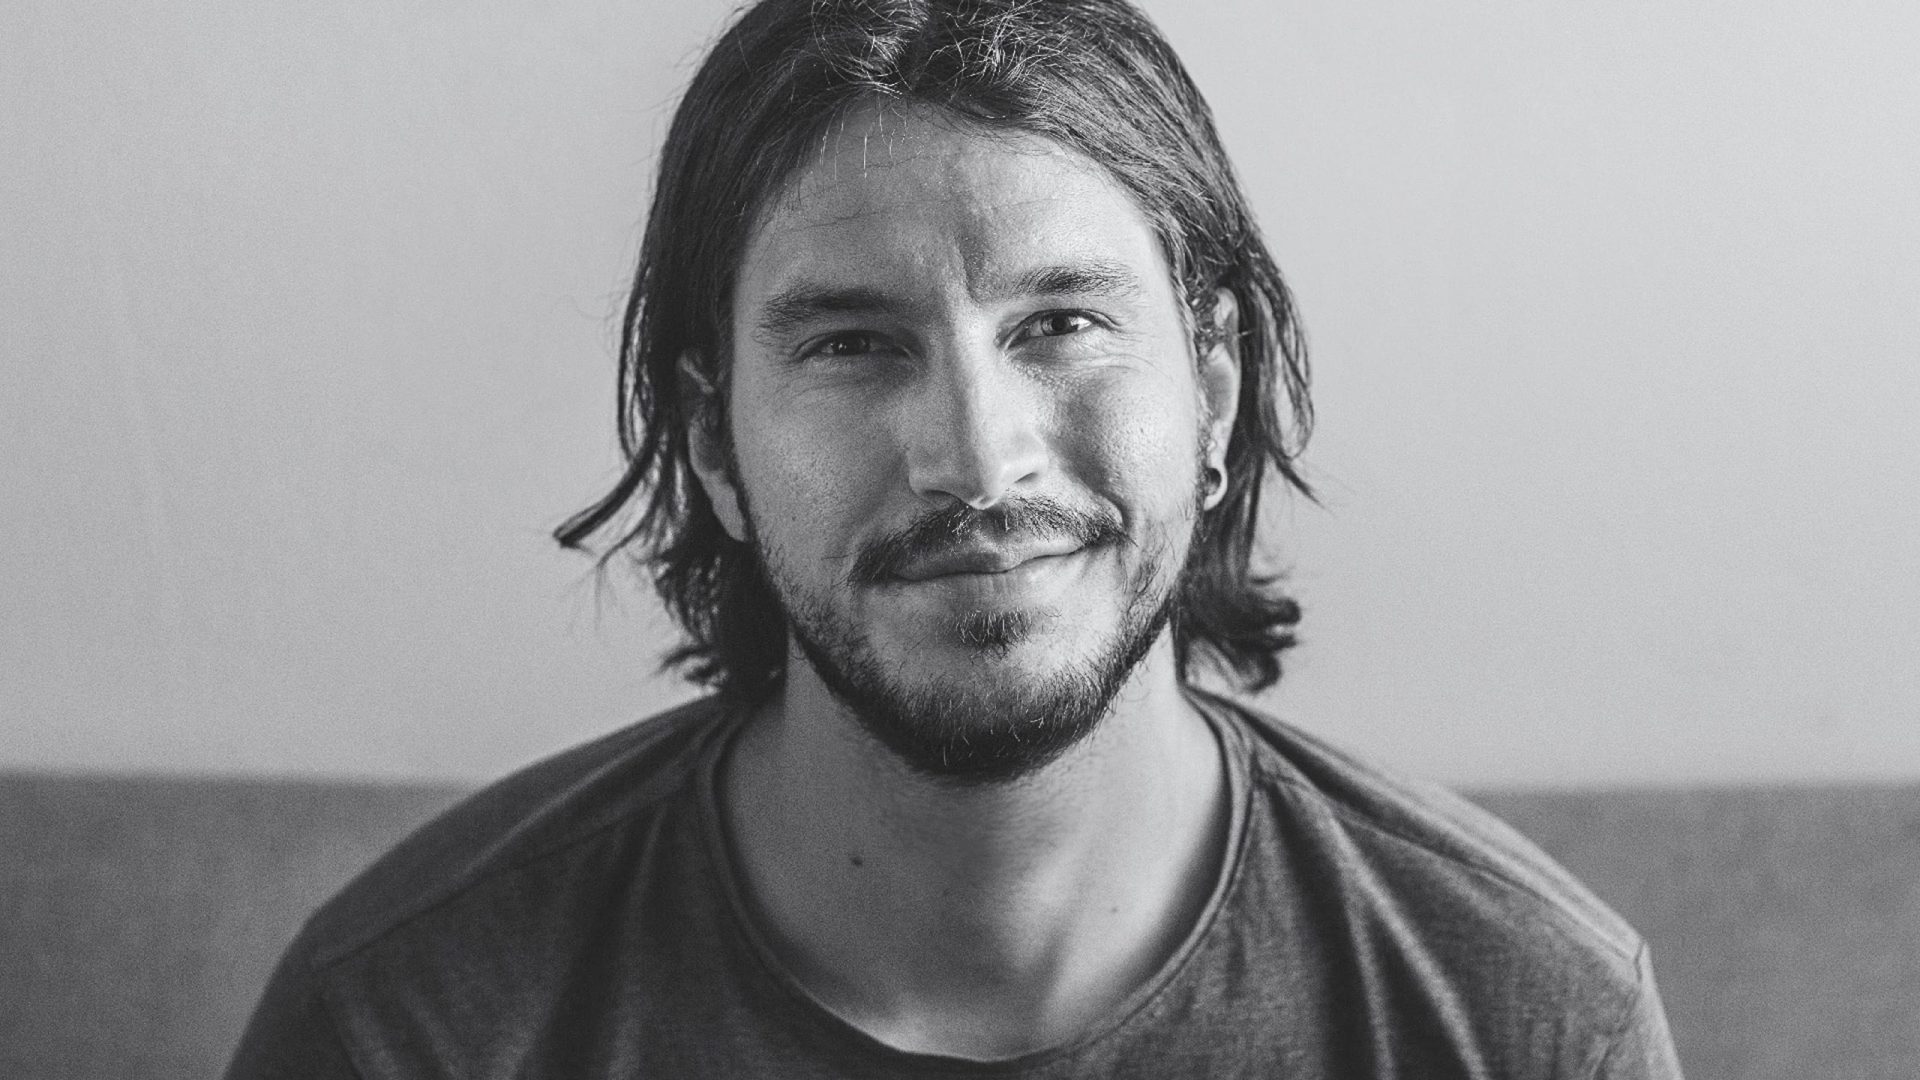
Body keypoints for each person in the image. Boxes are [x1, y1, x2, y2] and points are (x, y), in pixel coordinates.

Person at [228, 0, 1685, 1075]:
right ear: (709, 448)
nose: (977, 456)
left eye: (1060, 324)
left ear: (1216, 387)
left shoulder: (1524, 1016)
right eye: (854, 345)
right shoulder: (404, 1025)